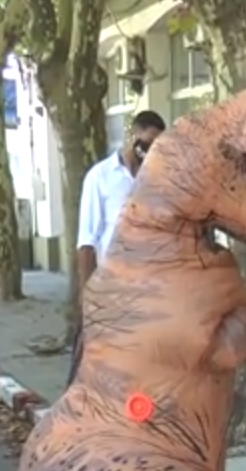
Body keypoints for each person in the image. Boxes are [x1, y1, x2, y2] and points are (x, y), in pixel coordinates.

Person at [69, 110, 166, 385]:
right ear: (131, 137)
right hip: (111, 285)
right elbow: (87, 240)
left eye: (156, 146)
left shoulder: (157, 180)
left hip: (150, 285)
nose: (149, 152)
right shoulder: (100, 177)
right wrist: (85, 294)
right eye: (145, 144)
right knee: (101, 363)